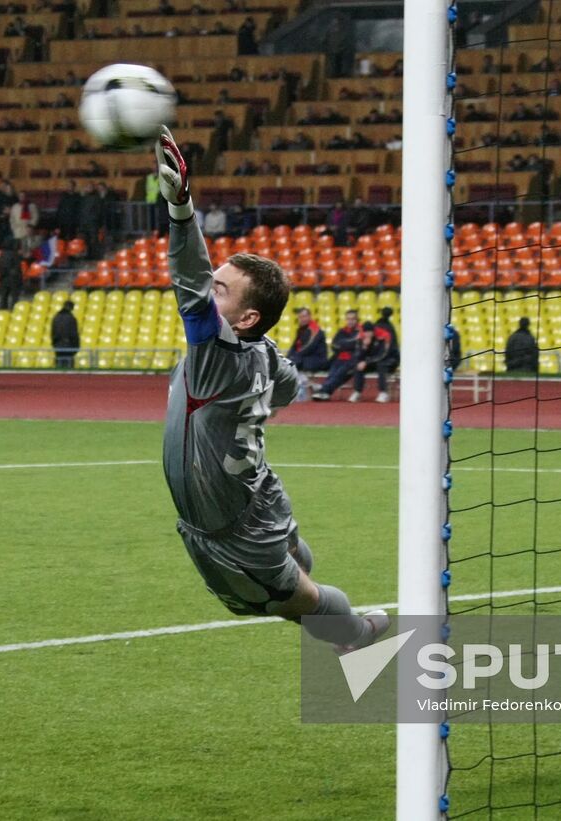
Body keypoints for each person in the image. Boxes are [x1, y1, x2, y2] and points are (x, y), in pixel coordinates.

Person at [154, 126, 388, 651]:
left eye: (222, 289)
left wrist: (182, 210)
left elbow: (187, 285)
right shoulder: (262, 355)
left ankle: (356, 635)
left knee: (291, 600)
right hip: (257, 495)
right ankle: (301, 569)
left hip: (236, 529)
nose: (208, 293)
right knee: (297, 561)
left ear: (248, 316)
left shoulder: (217, 354)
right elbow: (289, 386)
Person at [311, 309, 362, 400]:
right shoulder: (342, 331)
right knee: (333, 374)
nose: (350, 321)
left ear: (357, 320)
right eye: (348, 319)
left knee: (339, 374)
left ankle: (323, 390)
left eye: (353, 319)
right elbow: (334, 345)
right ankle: (324, 392)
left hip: (352, 360)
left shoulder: (361, 331)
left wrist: (343, 344)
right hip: (339, 359)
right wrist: (347, 344)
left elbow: (356, 344)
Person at [287, 307, 328, 372]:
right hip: (304, 357)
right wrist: (289, 356)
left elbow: (309, 346)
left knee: (295, 362)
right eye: (300, 317)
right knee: (288, 361)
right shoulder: (301, 329)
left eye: (304, 316)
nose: (302, 319)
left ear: (309, 316)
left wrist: (295, 356)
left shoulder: (315, 329)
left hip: (316, 359)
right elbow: (294, 346)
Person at [50, 299, 80, 368]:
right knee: (68, 367)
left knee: (59, 366)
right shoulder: (71, 318)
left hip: (58, 345)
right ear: (70, 307)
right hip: (69, 345)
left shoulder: (56, 317)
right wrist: (76, 345)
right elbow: (73, 333)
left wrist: (54, 343)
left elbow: (52, 332)